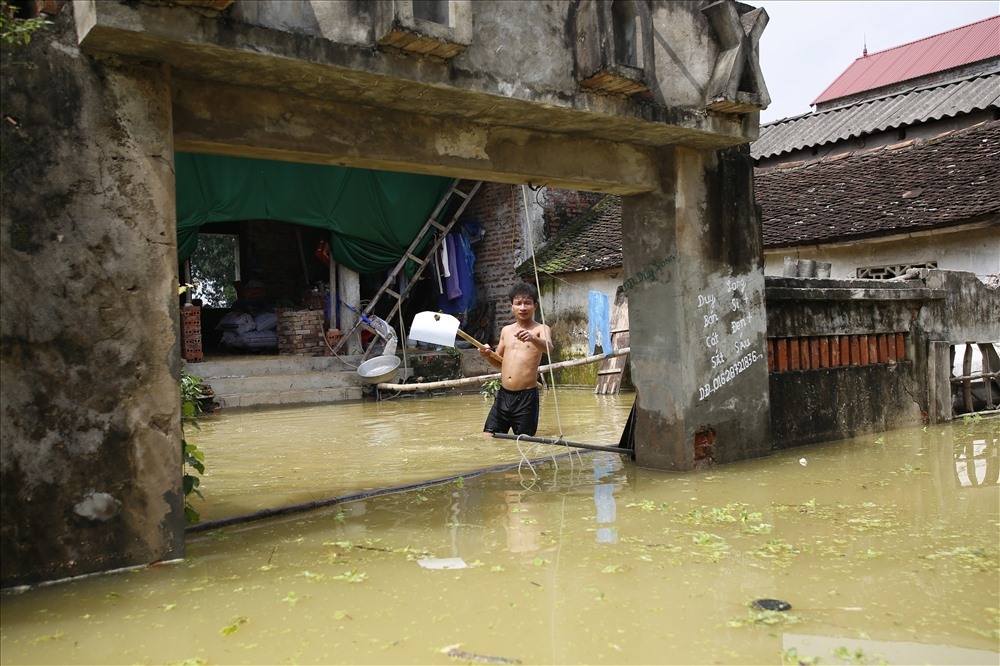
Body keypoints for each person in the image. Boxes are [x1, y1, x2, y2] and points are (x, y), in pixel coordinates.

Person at [480, 282, 553, 437]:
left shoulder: (541, 329)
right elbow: (498, 363)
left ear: (535, 306)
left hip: (526, 397)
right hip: (504, 395)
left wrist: (532, 338)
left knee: (524, 442)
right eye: (518, 303)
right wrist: (487, 355)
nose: (523, 307)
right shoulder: (506, 330)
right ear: (511, 306)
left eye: (527, 303)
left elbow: (549, 348)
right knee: (488, 436)